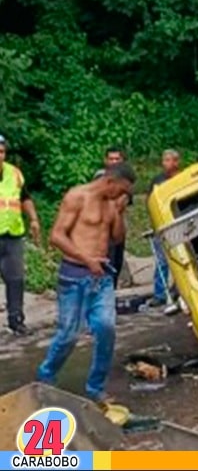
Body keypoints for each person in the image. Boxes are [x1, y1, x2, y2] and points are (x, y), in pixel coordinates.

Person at [37, 162, 137, 405]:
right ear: (110, 182)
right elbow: (56, 236)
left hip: (100, 276)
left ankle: (96, 387)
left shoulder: (112, 204)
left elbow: (117, 237)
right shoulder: (77, 196)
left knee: (106, 327)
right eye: (121, 190)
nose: (122, 195)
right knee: (69, 334)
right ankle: (45, 375)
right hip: (74, 274)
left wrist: (121, 212)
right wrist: (86, 259)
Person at [0, 134, 42, 336]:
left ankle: (16, 320)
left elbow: (25, 198)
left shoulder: (14, 173)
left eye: (1, 151)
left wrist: (33, 219)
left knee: (16, 279)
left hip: (13, 235)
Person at [93, 146, 132, 289]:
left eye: (117, 159)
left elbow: (125, 201)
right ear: (105, 160)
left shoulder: (126, 178)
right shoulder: (100, 176)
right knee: (106, 263)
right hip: (103, 228)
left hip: (118, 227)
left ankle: (111, 294)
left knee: (117, 262)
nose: (114, 162)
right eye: (111, 159)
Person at [146, 149, 181, 309]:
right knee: (161, 261)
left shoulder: (182, 178)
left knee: (181, 259)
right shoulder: (157, 180)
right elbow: (150, 203)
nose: (166, 163)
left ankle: (180, 290)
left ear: (176, 162)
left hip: (180, 223)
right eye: (164, 160)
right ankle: (160, 294)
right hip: (161, 225)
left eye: (169, 160)